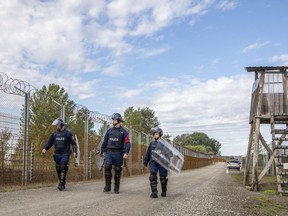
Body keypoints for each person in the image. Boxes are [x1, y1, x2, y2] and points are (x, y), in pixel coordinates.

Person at [42, 118, 78, 191]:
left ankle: (61, 184)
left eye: (57, 125)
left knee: (63, 166)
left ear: (61, 125)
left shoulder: (68, 133)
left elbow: (74, 143)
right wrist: (45, 148)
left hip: (65, 153)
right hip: (57, 153)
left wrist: (75, 151)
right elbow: (50, 142)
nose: (56, 127)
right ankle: (62, 181)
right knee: (58, 168)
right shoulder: (54, 134)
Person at [101, 113, 130, 194]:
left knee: (117, 170)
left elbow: (127, 143)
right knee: (107, 166)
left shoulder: (124, 132)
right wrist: (102, 151)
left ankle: (116, 187)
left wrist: (126, 152)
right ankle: (107, 186)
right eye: (113, 119)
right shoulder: (109, 131)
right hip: (109, 152)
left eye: (115, 119)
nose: (113, 121)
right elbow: (105, 141)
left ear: (119, 120)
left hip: (119, 153)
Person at [143, 127, 168, 198]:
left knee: (163, 179)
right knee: (152, 176)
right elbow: (148, 154)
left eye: (156, 134)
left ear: (160, 134)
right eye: (154, 134)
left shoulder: (164, 144)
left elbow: (170, 154)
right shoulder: (152, 144)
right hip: (153, 162)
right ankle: (154, 192)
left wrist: (167, 160)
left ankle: (164, 191)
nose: (155, 135)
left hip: (162, 163)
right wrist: (145, 162)